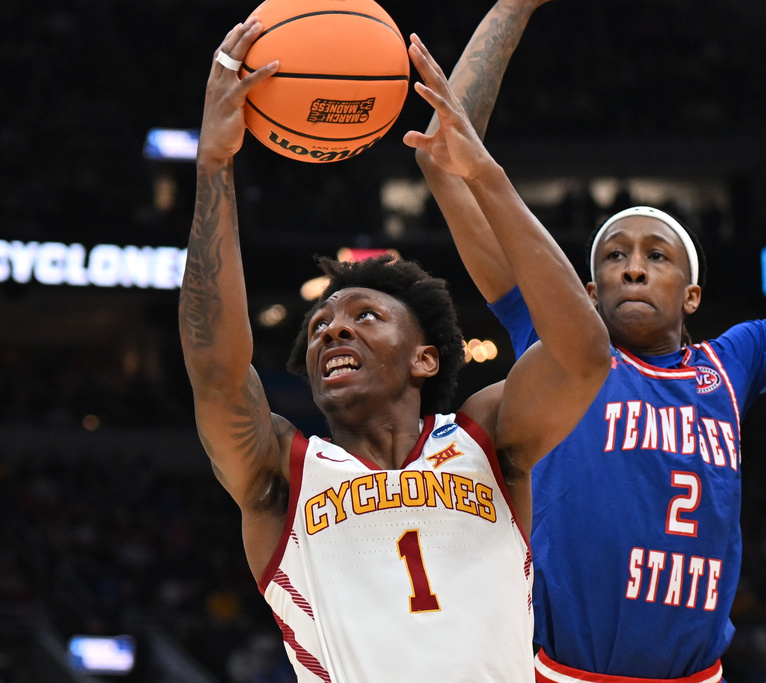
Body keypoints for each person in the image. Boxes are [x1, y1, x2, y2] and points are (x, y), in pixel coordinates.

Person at [416, 5, 766, 681]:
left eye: (658, 254)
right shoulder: (560, 349)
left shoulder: (733, 360)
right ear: (585, 295)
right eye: (614, 255)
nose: (632, 264)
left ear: (692, 295)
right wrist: (513, 6)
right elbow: (446, 162)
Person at [179, 16, 610, 682]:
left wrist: (485, 176)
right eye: (320, 324)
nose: (332, 330)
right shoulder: (283, 475)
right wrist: (214, 167)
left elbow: (584, 355)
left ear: (426, 358)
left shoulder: (489, 440)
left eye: (366, 314)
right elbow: (215, 372)